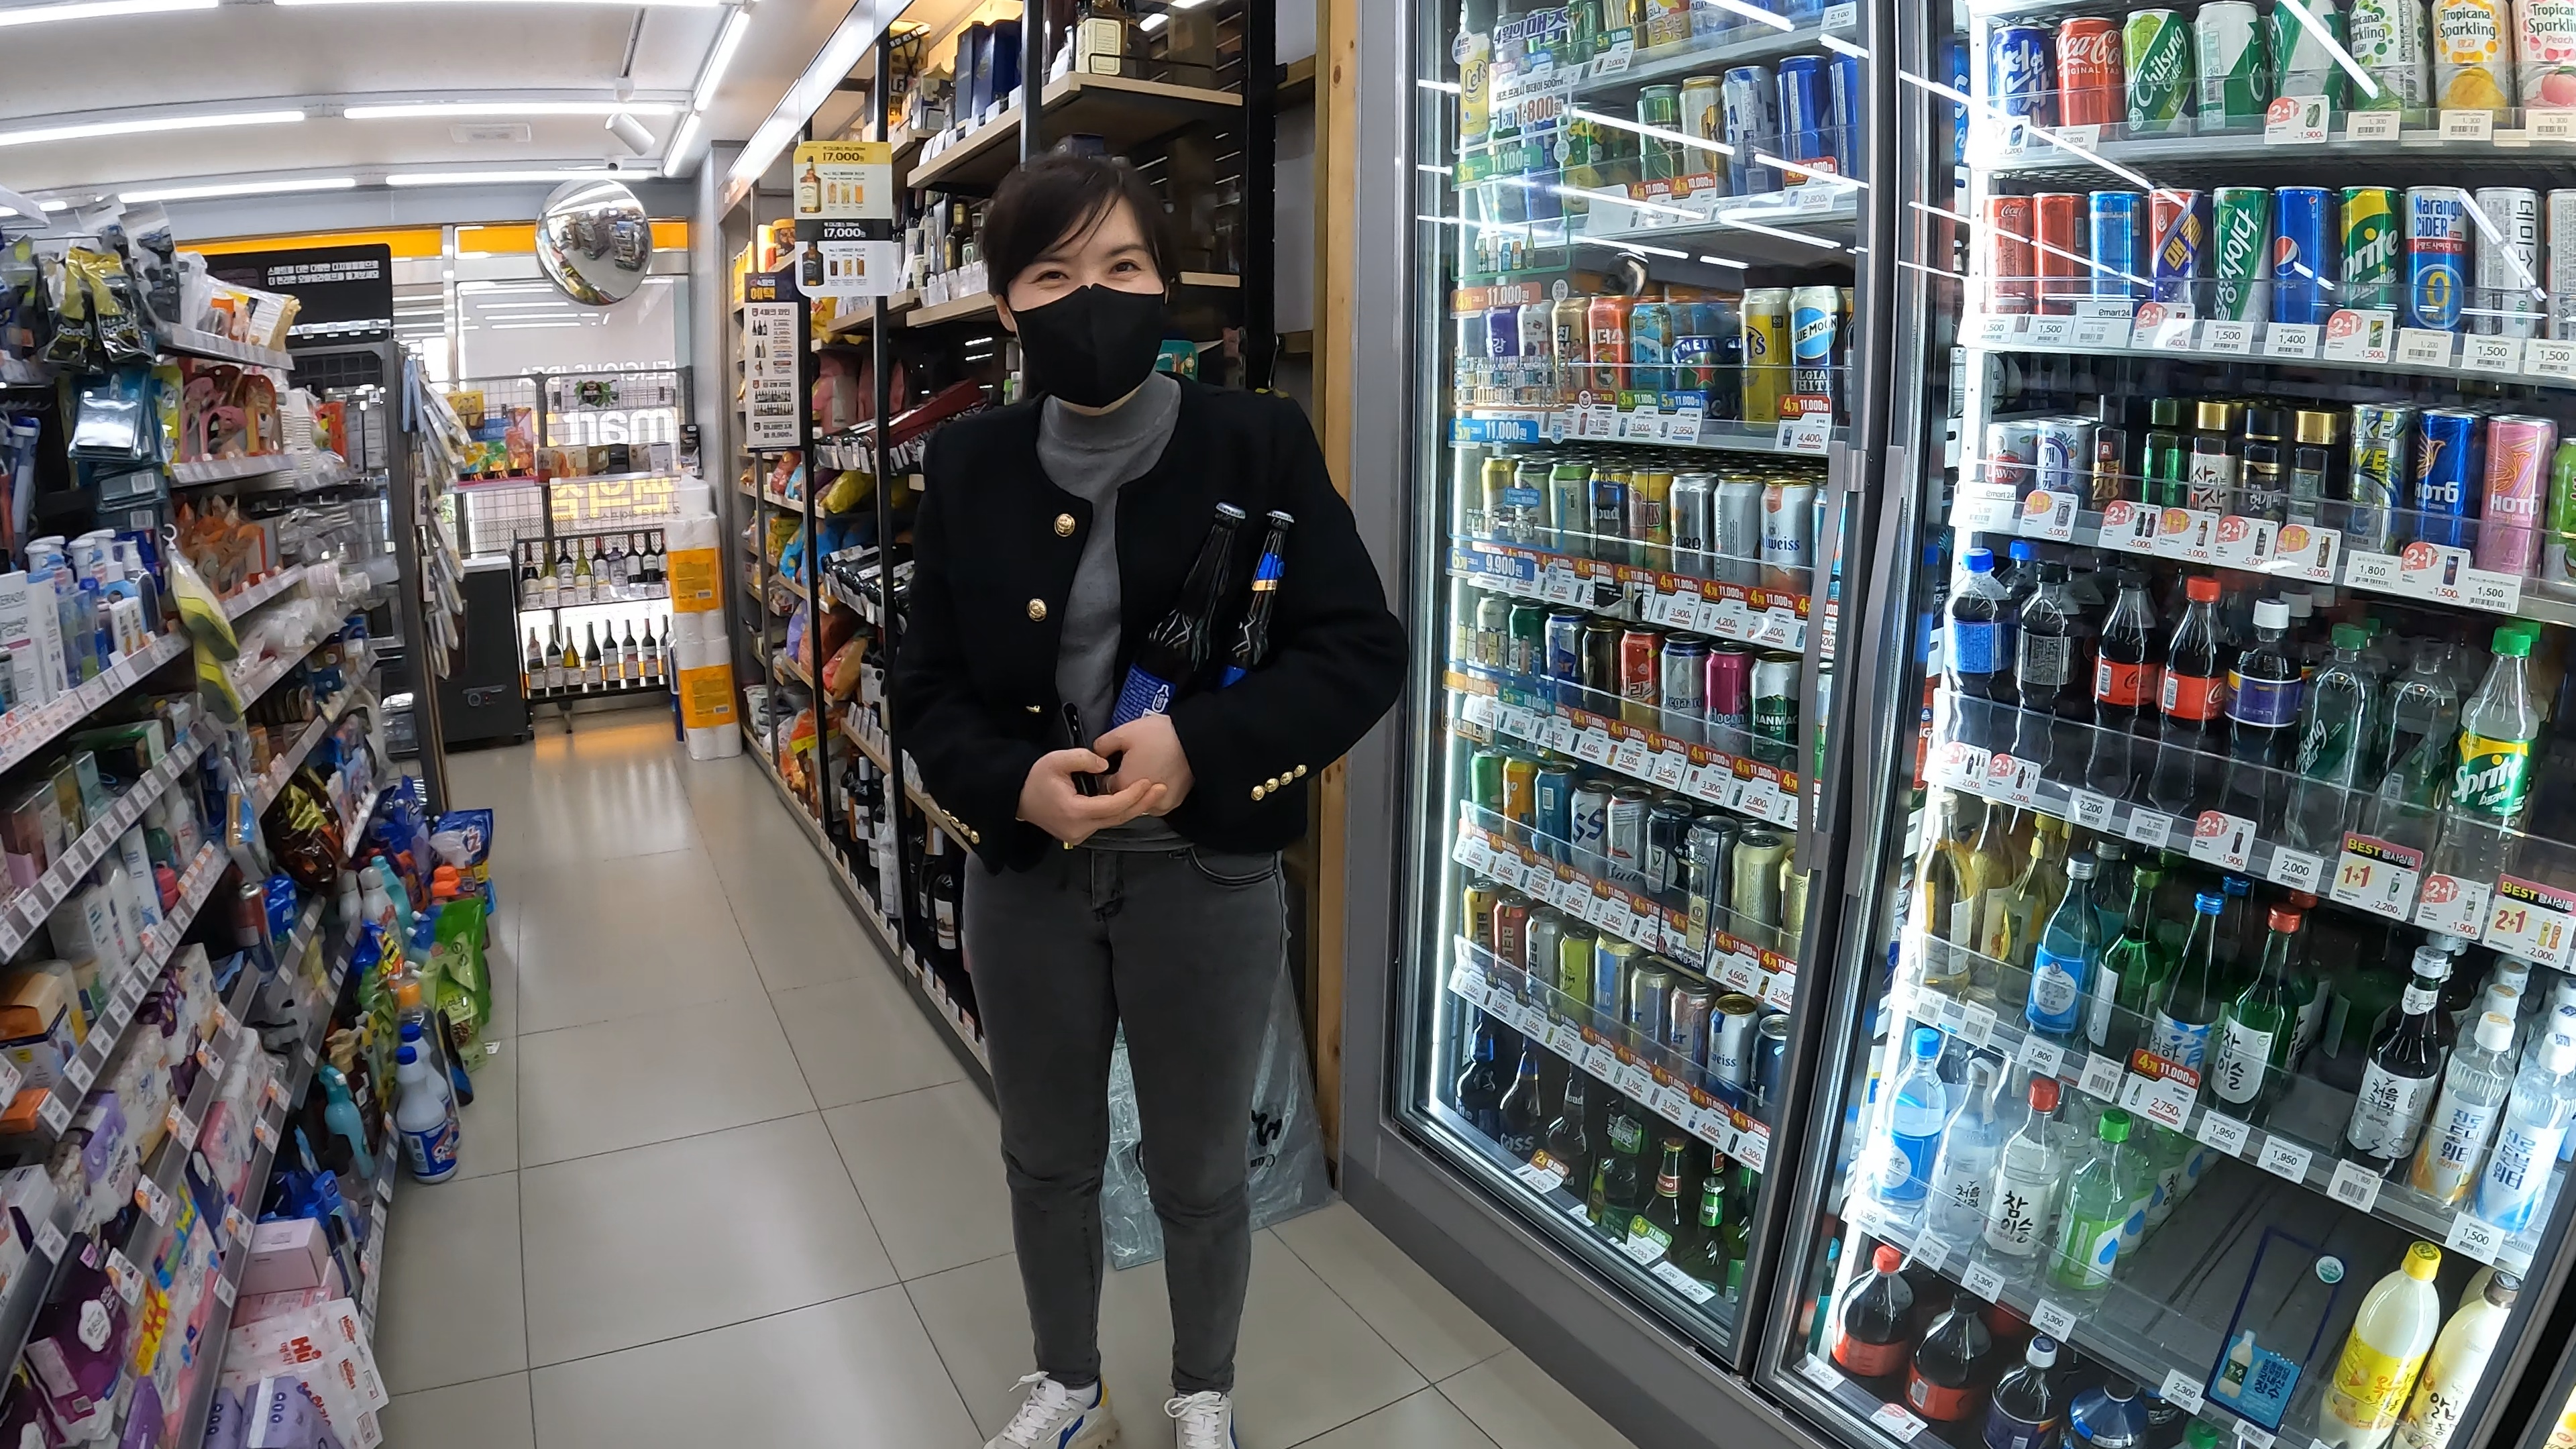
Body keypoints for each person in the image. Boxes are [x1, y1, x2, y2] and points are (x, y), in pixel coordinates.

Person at [893, 154, 1405, 1449]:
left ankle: (1203, 1392)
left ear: (1167, 286)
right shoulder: (968, 463)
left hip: (1206, 872)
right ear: (1005, 307)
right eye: (1053, 274)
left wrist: (1202, 743)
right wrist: (1010, 782)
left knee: (1200, 1165)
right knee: (1045, 1158)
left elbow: (1359, 650)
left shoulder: (1259, 440)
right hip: (1031, 875)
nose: (1092, 297)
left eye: (1122, 266)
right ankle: (1069, 1386)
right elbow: (925, 684)